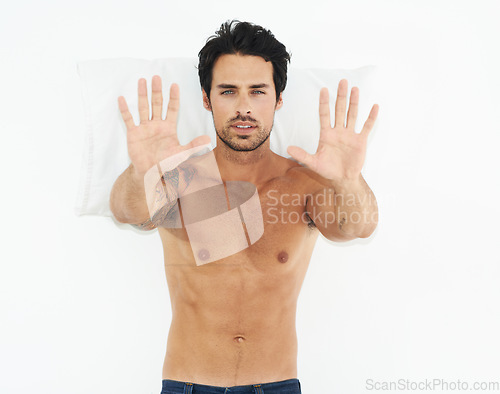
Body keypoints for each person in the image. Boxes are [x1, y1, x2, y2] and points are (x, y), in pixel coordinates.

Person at [110, 20, 379, 394]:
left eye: (257, 91)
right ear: (206, 99)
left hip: (277, 385)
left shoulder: (304, 182)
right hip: (188, 384)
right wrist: (141, 171)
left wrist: (347, 179)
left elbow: (357, 228)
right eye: (228, 92)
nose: (243, 108)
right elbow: (128, 213)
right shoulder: (180, 177)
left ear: (278, 99)